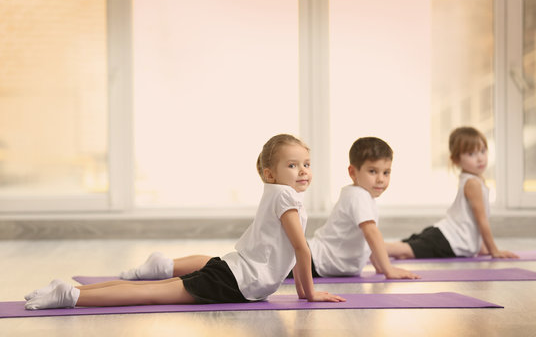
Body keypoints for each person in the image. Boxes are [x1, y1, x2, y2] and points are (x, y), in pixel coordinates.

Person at [24, 134, 345, 310]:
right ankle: (72, 296)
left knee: (156, 289)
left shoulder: (277, 194)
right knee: (151, 294)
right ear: (270, 173)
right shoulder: (286, 197)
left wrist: (305, 294)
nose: (303, 170)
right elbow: (302, 252)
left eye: (306, 163)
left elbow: (293, 254)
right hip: (234, 281)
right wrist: (310, 294)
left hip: (231, 271)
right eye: (293, 165)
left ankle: (71, 290)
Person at [385, 126, 519, 260]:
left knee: (404, 251)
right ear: (456, 159)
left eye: (482, 151)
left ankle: (377, 248)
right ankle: (373, 248)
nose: (480, 158)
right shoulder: (473, 183)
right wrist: (494, 250)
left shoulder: (472, 179)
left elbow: (473, 221)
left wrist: (481, 247)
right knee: (403, 250)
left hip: (444, 234)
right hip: (448, 240)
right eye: (471, 154)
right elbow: (481, 220)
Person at [307, 137, 419, 279]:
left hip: (317, 259)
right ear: (353, 172)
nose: (381, 179)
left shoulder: (363, 195)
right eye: (372, 171)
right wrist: (388, 269)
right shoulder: (358, 196)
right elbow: (371, 233)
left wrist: (378, 265)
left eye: (386, 172)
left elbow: (364, 240)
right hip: (314, 260)